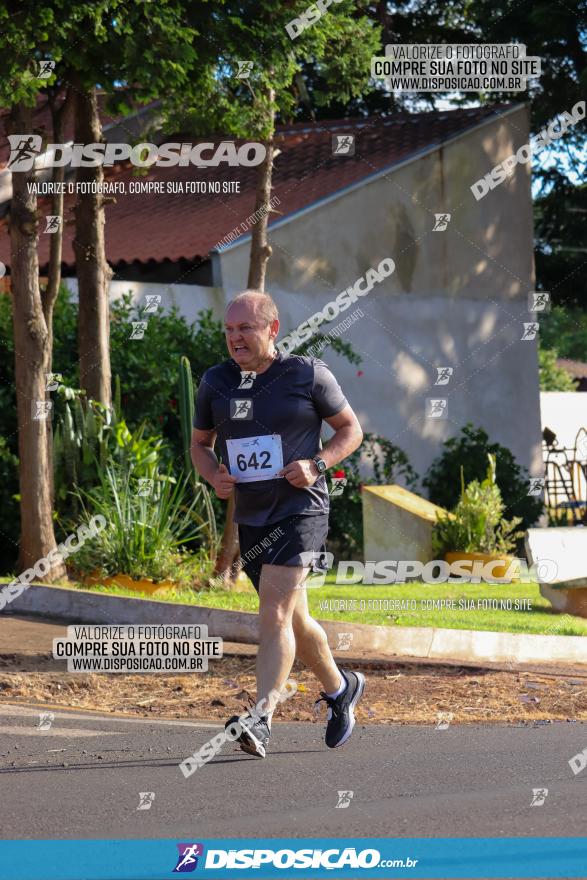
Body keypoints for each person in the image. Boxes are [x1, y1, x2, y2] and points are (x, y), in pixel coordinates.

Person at [191, 290, 365, 758]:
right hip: (252, 516)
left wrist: (317, 464)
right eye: (229, 330)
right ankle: (341, 687)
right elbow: (200, 444)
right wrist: (214, 476)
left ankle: (262, 719)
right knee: (296, 619)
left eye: (245, 328)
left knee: (273, 613)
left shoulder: (306, 374)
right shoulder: (217, 382)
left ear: (272, 328)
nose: (235, 339)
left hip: (302, 509)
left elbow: (351, 430)